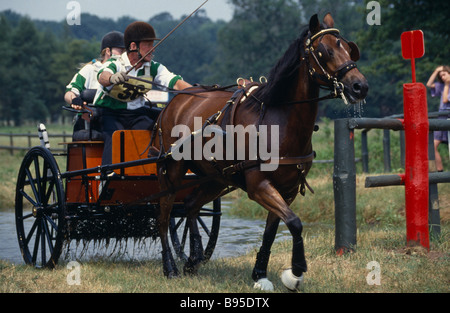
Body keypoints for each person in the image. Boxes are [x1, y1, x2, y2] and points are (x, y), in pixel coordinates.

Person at [94, 21, 192, 166]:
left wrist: (199, 92)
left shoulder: (154, 67)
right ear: (133, 46)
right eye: (148, 45)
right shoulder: (116, 63)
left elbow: (175, 82)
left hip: (136, 115)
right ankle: (107, 176)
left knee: (151, 134)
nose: (153, 49)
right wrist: (112, 78)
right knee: (117, 137)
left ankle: (149, 172)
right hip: (110, 113)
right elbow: (103, 76)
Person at [64, 31, 126, 139]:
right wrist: (74, 100)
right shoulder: (90, 70)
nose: (124, 55)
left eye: (126, 51)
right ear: (108, 51)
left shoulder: (125, 72)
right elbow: (69, 92)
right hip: (90, 123)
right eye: (121, 50)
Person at [426, 65, 450, 172]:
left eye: (444, 74)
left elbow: (445, 100)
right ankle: (440, 171)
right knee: (432, 145)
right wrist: (436, 70)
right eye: (441, 76)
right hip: (442, 119)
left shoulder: (446, 86)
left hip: (448, 119)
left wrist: (447, 85)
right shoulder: (441, 85)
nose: (443, 77)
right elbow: (429, 84)